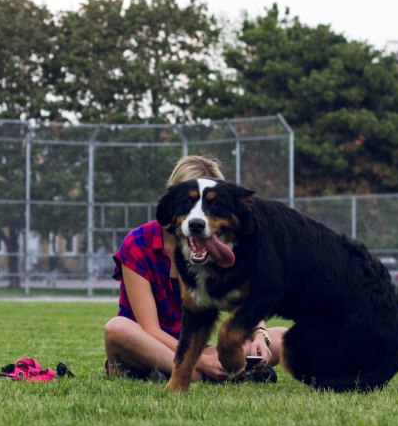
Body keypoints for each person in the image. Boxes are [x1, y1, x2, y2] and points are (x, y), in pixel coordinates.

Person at [104, 155, 286, 382]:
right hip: (147, 346)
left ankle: (192, 373)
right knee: (117, 329)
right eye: (191, 204)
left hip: (198, 347)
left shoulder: (220, 244)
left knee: (281, 337)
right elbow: (149, 329)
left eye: (213, 206)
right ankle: (202, 374)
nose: (201, 216)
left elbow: (243, 303)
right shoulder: (138, 243)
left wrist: (260, 335)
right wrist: (198, 360)